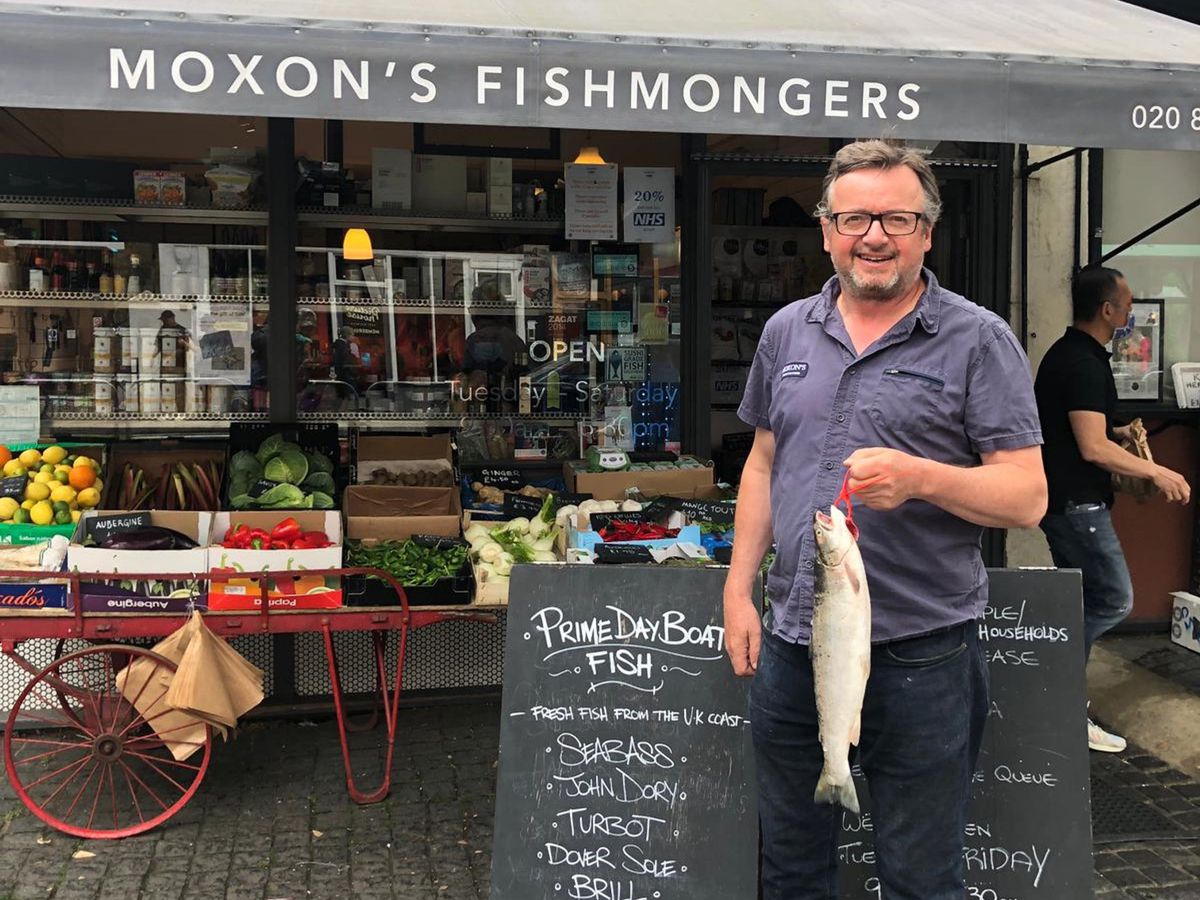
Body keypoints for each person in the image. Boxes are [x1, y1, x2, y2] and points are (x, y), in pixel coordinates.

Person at [722, 140, 1047, 900]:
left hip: (922, 654)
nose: (875, 236)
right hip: (793, 641)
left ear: (927, 232)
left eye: (897, 218)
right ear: (828, 230)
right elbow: (764, 465)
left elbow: (1028, 495)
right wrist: (739, 590)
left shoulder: (978, 339)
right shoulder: (786, 333)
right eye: (856, 218)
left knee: (920, 877)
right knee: (790, 867)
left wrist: (923, 479)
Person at [1034, 266, 1190, 753]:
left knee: (1085, 600)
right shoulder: (1079, 362)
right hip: (1075, 503)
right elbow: (1091, 448)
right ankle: (1057, 694)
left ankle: (1056, 692)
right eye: (1126, 303)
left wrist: (1120, 433)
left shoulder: (1078, 356)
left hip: (1072, 500)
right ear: (1107, 310)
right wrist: (1158, 472)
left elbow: (1090, 432)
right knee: (1111, 599)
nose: (1130, 310)